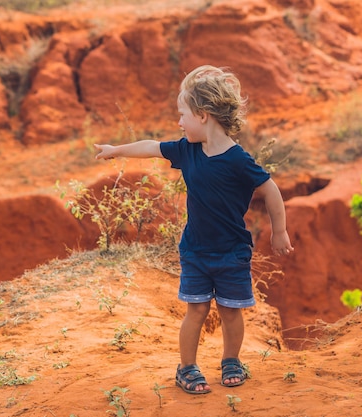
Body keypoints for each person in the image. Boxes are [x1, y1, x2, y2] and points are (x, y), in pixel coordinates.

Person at [94, 65, 293, 394]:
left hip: (232, 252)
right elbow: (151, 146)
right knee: (197, 310)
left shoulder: (237, 159)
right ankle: (186, 368)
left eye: (182, 114)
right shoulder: (188, 151)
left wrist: (280, 231)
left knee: (231, 312)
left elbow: (270, 189)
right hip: (196, 251)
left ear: (202, 115)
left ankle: (231, 361)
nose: (179, 122)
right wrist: (117, 150)